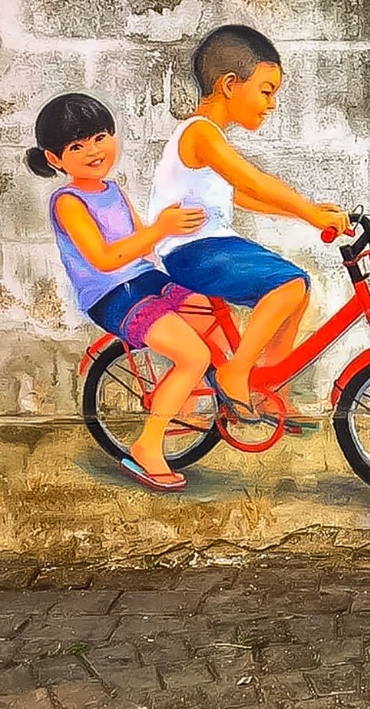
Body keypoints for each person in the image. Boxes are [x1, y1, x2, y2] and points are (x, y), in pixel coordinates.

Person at [149, 24, 350, 422]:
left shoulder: (209, 139)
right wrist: (311, 214)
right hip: (193, 252)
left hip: (209, 248)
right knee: (289, 284)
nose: (271, 104)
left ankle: (270, 393)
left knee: (297, 292)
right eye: (266, 91)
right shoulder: (201, 134)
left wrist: (309, 211)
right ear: (229, 85)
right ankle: (236, 372)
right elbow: (253, 182)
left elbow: (243, 197)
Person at [26, 92, 214, 493]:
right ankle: (148, 447)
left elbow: (142, 243)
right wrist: (160, 228)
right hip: (111, 294)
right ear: (55, 159)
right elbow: (106, 258)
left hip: (141, 277)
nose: (93, 151)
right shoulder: (68, 202)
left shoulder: (113, 189)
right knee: (195, 355)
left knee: (205, 310)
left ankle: (183, 406)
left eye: (99, 138)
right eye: (77, 147)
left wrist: (182, 240)